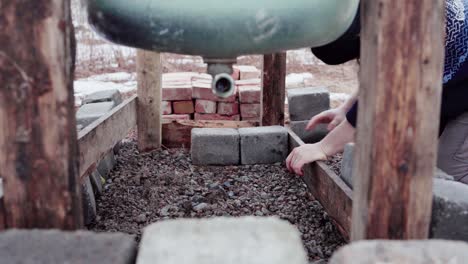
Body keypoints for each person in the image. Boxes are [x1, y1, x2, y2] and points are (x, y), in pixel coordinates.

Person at [286, 0, 468, 184]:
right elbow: (378, 78)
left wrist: (323, 147)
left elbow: (380, 104)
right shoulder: (379, 14)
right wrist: (345, 110)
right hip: (455, 79)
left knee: (452, 166)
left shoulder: (411, 29)